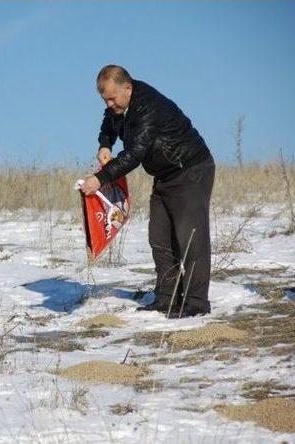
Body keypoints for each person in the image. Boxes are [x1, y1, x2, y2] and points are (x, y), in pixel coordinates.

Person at [79, 65, 215, 318]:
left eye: (112, 98)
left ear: (127, 88)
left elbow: (134, 154)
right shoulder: (119, 107)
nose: (109, 104)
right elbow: (108, 123)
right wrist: (105, 144)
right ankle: (168, 298)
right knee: (159, 238)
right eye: (104, 99)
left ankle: (197, 303)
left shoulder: (148, 107)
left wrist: (99, 179)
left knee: (190, 239)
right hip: (164, 175)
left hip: (191, 170)